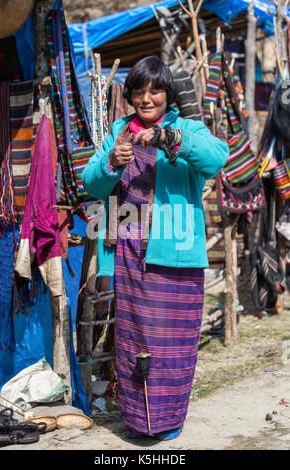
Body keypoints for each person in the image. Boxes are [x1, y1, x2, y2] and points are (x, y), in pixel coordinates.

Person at [82, 56, 229, 440]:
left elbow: (216, 158)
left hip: (176, 253)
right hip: (129, 255)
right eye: (139, 91)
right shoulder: (118, 132)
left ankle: (167, 421)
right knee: (134, 340)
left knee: (174, 343)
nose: (147, 99)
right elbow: (91, 184)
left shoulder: (186, 128)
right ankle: (138, 420)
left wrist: (169, 139)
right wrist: (112, 161)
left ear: (168, 95)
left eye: (155, 90)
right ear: (129, 95)